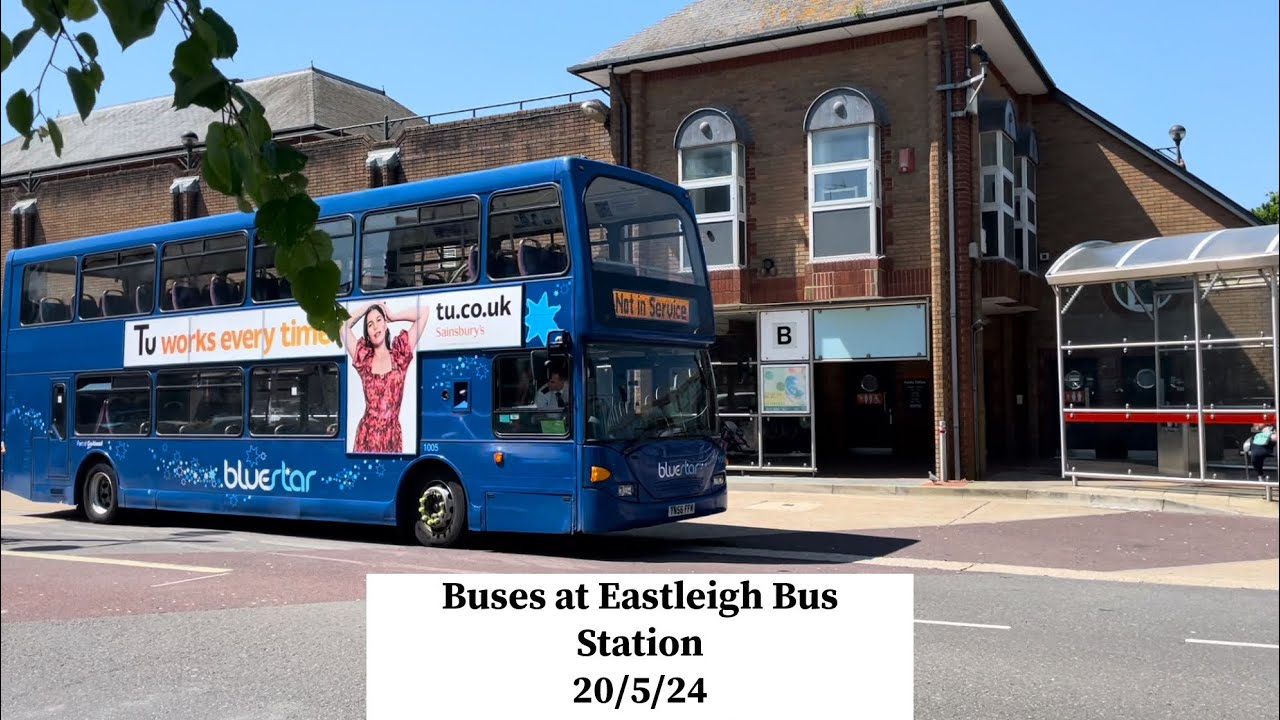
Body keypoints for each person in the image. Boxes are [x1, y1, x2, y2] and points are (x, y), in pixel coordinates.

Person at [343, 301, 429, 454]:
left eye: (378, 320)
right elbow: (343, 326)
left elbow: (424, 312)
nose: (375, 326)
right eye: (370, 325)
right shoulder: (365, 360)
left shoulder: (399, 355)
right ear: (367, 334)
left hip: (391, 437)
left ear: (385, 325)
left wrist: (393, 316)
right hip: (366, 436)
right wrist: (368, 306)